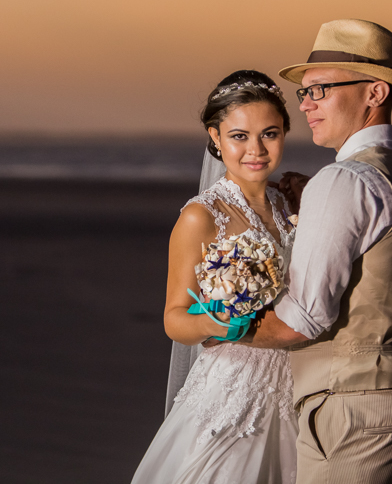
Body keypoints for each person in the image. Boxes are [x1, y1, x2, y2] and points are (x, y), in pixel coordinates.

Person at [232, 19, 392, 483]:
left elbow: (303, 319)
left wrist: (223, 328)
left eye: (321, 90)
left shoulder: (345, 180)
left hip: (353, 410)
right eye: (303, 94)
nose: (306, 106)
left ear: (374, 93)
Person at [131, 70, 299, 483]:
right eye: (239, 136)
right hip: (234, 396)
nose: (255, 149)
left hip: (296, 386)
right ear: (215, 137)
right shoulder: (200, 216)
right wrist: (217, 321)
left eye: (270, 134)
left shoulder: (289, 202)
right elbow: (174, 317)